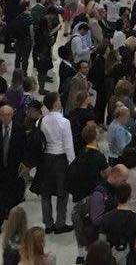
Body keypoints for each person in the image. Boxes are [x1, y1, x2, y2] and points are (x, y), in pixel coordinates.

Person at [37, 92, 75, 234]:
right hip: (60, 159)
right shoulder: (64, 122)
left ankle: (48, 223)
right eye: (59, 100)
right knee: (62, 193)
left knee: (45, 193)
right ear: (55, 104)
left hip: (46, 159)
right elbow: (68, 146)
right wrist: (72, 164)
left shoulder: (40, 121)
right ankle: (60, 223)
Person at [97, 182, 136, 265]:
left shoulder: (106, 217)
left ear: (116, 197)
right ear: (130, 197)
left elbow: (102, 242)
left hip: (111, 258)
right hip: (130, 259)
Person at [0, 104, 26, 230]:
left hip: (13, 168)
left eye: (8, 114)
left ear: (12, 115)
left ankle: (9, 216)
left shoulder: (19, 129)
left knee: (11, 193)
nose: (6, 117)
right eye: (3, 115)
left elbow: (23, 148)